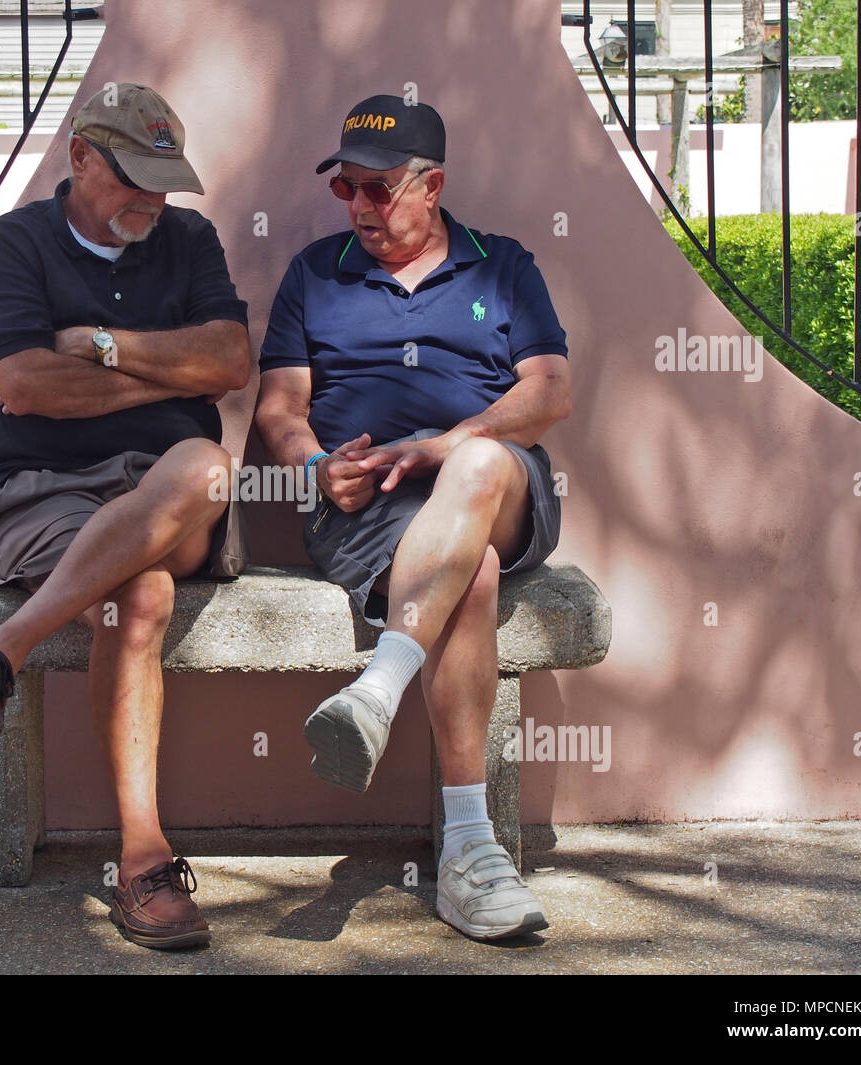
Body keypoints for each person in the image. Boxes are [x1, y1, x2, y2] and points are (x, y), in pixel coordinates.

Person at [0, 83, 250, 951]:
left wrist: (102, 346)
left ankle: (1, 649)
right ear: (80, 158)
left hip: (176, 483)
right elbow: (26, 385)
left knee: (209, 464)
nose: (154, 198)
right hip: (44, 488)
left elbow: (228, 360)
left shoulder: (187, 239)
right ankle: (144, 861)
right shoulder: (16, 242)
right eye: (134, 176)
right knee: (138, 596)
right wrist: (165, 373)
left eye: (165, 179)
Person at [255, 93, 571, 941]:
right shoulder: (313, 275)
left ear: (431, 185)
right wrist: (316, 469)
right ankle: (471, 856)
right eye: (345, 189)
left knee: (474, 464)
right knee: (475, 576)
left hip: (500, 485)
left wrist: (447, 444)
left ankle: (378, 686)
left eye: (378, 188)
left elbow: (549, 390)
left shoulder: (502, 265)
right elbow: (280, 409)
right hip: (368, 513)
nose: (359, 206)